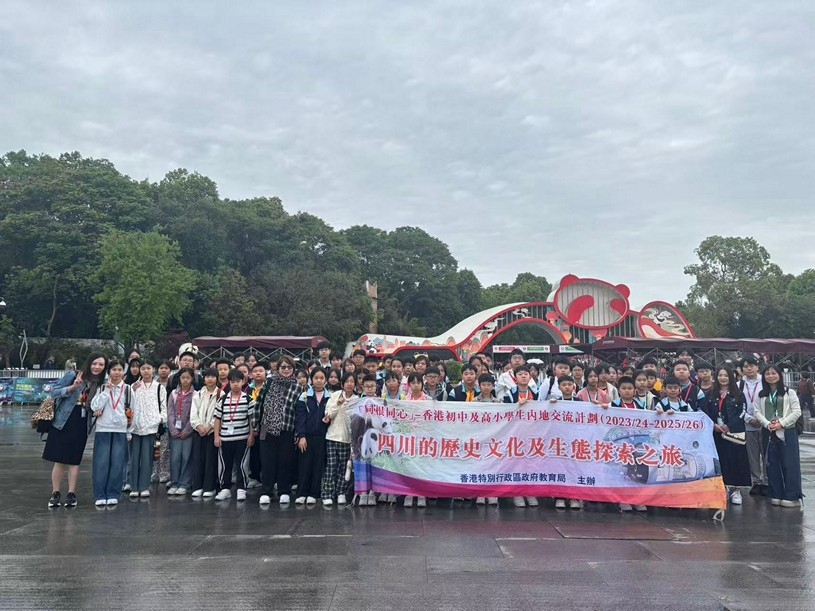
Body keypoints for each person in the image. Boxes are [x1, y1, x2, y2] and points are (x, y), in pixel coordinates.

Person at [45, 353, 108, 508]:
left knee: (74, 460)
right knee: (59, 459)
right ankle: (55, 493)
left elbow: (98, 404)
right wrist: (72, 387)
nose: (97, 367)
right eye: (94, 363)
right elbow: (53, 392)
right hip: (63, 421)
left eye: (101, 365)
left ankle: (71, 493)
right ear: (89, 363)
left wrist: (98, 410)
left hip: (81, 423)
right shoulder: (73, 375)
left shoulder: (101, 384)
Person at [254, 356, 301, 505]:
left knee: (284, 462)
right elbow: (259, 404)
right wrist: (255, 425)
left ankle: (284, 491)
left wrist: (298, 433)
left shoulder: (298, 387)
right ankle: (266, 491)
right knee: (267, 461)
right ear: (277, 369)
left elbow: (298, 411)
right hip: (267, 427)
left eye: (289, 367)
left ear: (293, 369)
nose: (286, 370)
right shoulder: (269, 383)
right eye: (283, 367)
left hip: (287, 428)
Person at [755, 364, 803, 508]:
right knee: (771, 464)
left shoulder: (789, 392)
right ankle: (776, 494)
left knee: (790, 464)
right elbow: (757, 411)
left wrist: (782, 423)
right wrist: (767, 424)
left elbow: (797, 411)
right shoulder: (762, 394)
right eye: (767, 374)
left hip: (787, 431)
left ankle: (792, 496)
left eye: (773, 373)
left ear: (779, 375)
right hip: (769, 431)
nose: (771, 376)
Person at [703, 366, 750, 506]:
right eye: (720, 375)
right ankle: (723, 488)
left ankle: (736, 490)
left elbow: (742, 412)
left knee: (736, 460)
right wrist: (713, 425)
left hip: (733, 433)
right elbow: (705, 411)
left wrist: (729, 425)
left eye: (726, 375)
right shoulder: (711, 394)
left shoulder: (738, 394)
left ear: (731, 377)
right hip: (717, 433)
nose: (723, 378)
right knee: (721, 461)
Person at [89, 359, 132, 507]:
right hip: (103, 429)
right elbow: (95, 406)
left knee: (117, 463)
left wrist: (129, 431)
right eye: (114, 370)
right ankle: (100, 494)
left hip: (120, 429)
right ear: (109, 372)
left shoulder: (128, 389)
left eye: (120, 370)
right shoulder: (102, 388)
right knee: (101, 463)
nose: (117, 373)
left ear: (123, 372)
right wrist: (107, 391)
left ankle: (113, 493)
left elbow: (135, 411)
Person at [214, 369, 256, 501]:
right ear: (229, 383)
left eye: (238, 381)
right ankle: (225, 488)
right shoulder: (223, 399)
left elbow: (251, 419)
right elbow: (217, 419)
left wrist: (251, 435)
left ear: (243, 382)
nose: (235, 384)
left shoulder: (248, 399)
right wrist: (216, 436)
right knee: (225, 465)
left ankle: (241, 488)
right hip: (225, 438)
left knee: (242, 465)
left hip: (242, 438)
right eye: (232, 382)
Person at [128, 361, 166, 498]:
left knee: (147, 458)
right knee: (134, 458)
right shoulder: (134, 386)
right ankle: (134, 486)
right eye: (143, 368)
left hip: (151, 427)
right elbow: (128, 404)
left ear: (153, 370)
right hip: (135, 427)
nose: (145, 371)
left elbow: (163, 406)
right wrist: (132, 390)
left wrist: (159, 419)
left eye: (148, 368)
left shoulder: (159, 387)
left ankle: (144, 486)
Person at [294, 369, 330, 504]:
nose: (319, 381)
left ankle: (314, 493)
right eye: (316, 378)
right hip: (307, 437)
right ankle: (302, 493)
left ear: (325, 380)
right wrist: (301, 436)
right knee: (304, 466)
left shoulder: (330, 397)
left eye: (322, 378)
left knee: (318, 466)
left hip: (322, 437)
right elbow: (300, 419)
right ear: (311, 380)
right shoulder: (304, 397)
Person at [322, 372, 356, 506]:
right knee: (331, 466)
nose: (349, 384)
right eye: (347, 381)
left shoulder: (357, 399)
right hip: (332, 437)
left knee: (344, 467)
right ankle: (327, 493)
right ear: (342, 384)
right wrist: (338, 403)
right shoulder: (335, 395)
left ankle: (340, 492)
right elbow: (328, 414)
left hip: (347, 439)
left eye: (352, 381)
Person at [189, 368, 221, 499]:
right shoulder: (198, 394)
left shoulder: (221, 394)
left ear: (217, 379)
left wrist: (210, 427)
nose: (210, 379)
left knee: (210, 460)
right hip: (199, 431)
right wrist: (198, 426)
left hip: (212, 432)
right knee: (198, 459)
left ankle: (210, 487)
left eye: (213, 377)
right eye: (207, 376)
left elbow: (220, 414)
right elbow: (193, 413)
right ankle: (198, 486)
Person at [740, 355, 767, 496]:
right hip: (748, 424)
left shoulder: (765, 381)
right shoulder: (739, 384)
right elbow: (737, 405)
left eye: (751, 365)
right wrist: (749, 419)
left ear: (757, 367)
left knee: (766, 454)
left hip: (765, 424)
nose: (749, 368)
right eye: (745, 366)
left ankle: (767, 481)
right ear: (741, 369)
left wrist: (761, 419)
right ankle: (756, 481)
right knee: (752, 456)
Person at [167, 368, 195, 496]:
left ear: (192, 379)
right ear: (179, 378)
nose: (185, 380)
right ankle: (174, 482)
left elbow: (194, 414)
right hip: (175, 432)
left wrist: (187, 430)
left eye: (188, 378)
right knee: (175, 457)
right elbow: (170, 412)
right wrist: (172, 429)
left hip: (188, 432)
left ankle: (185, 484)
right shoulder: (173, 393)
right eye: (183, 377)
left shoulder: (195, 395)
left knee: (186, 457)